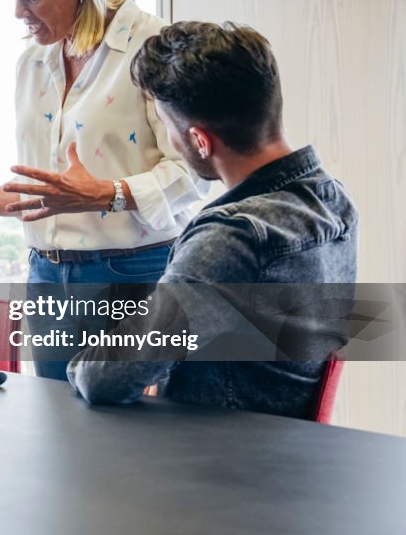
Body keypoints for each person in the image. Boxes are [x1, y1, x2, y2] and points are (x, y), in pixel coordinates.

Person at [0, 0, 208, 380]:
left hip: (133, 274)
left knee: (132, 443)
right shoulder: (32, 61)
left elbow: (194, 172)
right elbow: (58, 189)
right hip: (46, 274)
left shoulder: (155, 47)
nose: (18, 12)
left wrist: (110, 194)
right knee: (57, 434)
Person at [66, 21, 358, 418]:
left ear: (200, 140)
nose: (171, 141)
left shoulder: (232, 238)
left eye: (168, 128)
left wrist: (84, 364)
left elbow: (106, 378)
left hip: (220, 464)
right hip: (291, 453)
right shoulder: (334, 201)